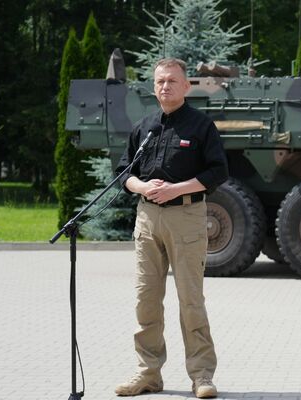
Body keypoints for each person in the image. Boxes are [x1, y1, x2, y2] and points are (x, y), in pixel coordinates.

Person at [114, 58, 228, 398]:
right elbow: (124, 172)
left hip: (186, 217)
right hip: (148, 218)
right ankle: (148, 373)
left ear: (186, 86)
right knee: (146, 300)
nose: (165, 86)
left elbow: (217, 172)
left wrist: (176, 189)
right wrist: (142, 187)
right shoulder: (144, 127)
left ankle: (202, 375)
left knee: (190, 300)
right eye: (160, 81)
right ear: (154, 87)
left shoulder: (201, 126)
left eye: (172, 81)